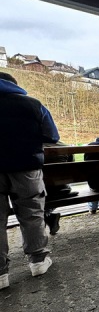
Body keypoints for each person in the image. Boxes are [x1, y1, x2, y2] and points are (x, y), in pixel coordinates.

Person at [0, 72, 59, 289]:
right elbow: (52, 136)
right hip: (26, 166)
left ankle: (1, 274)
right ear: (13, 85)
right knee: (32, 212)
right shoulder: (33, 105)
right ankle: (38, 261)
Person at [43, 141, 79, 235]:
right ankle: (49, 217)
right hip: (60, 189)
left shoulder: (31, 147)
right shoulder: (65, 146)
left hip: (38, 189)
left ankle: (48, 217)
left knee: (30, 200)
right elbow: (71, 170)